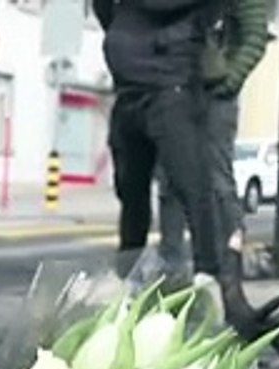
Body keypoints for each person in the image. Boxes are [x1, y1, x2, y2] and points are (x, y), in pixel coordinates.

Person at [95, 0, 239, 296]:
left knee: (192, 187)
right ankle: (128, 277)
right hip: (129, 86)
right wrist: (123, 29)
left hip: (172, 84)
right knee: (131, 192)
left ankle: (207, 275)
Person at [155, 0, 270, 280]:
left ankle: (225, 274)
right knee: (170, 182)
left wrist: (229, 81)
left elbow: (255, 37)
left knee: (216, 180)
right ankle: (172, 274)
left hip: (214, 94)